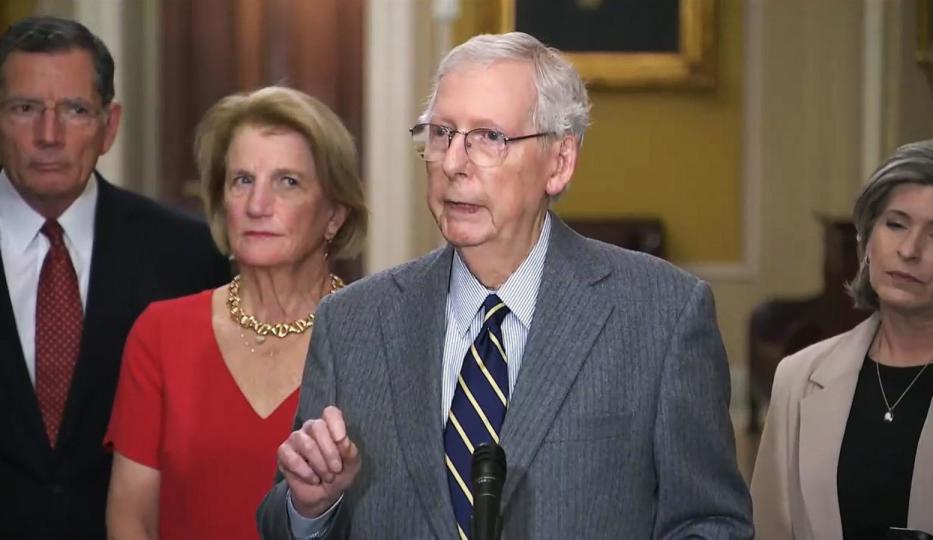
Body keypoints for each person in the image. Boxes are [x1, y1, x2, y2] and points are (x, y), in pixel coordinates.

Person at [258, 32, 752, 539]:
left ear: (559, 163)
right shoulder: (351, 322)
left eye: (489, 138)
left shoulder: (662, 315)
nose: (453, 164)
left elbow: (710, 524)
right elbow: (280, 522)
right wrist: (310, 506)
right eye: (441, 134)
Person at [0, 16, 230, 539]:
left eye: (75, 110)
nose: (49, 135)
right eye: (25, 108)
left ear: (110, 125)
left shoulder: (188, 255)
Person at [104, 86, 367, 540]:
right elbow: (131, 520)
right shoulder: (162, 333)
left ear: (334, 215)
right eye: (242, 180)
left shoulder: (374, 335)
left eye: (288, 182)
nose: (257, 206)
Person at [752, 140, 933, 539]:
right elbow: (768, 530)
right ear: (867, 239)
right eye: (895, 224)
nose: (909, 250)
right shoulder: (798, 377)